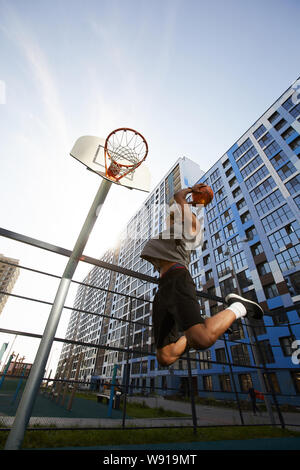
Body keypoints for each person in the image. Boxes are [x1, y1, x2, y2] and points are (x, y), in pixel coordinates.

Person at [140, 185, 264, 367]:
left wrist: (188, 192)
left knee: (203, 339)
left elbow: (177, 196)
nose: (170, 217)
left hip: (177, 279)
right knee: (165, 356)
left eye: (176, 213)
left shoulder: (192, 227)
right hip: (163, 289)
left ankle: (239, 307)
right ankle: (201, 326)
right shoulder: (172, 233)